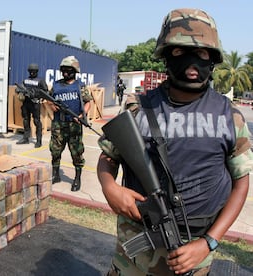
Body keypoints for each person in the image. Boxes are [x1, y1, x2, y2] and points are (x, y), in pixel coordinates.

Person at [97, 8, 253, 275]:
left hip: (193, 250)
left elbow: (241, 182)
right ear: (167, 57)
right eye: (181, 52)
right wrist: (110, 188)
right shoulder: (138, 109)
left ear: (213, 59)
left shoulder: (230, 116)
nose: (193, 62)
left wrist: (209, 242)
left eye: (202, 53)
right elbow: (108, 158)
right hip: (133, 248)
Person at [47, 55, 92, 192]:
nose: (65, 73)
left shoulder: (80, 86)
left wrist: (81, 115)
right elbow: (48, 99)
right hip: (58, 124)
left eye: (68, 70)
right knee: (55, 150)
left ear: (74, 71)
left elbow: (88, 102)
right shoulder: (56, 85)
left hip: (74, 124)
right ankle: (56, 174)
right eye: (63, 70)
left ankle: (77, 178)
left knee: (76, 152)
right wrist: (51, 105)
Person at [16, 63, 48, 148]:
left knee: (37, 121)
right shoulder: (26, 80)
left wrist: (37, 96)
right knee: (26, 120)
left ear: (36, 71)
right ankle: (25, 138)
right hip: (26, 103)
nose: (32, 73)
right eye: (31, 71)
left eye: (33, 71)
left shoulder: (40, 80)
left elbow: (45, 91)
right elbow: (19, 88)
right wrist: (20, 91)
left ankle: (38, 140)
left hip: (35, 103)